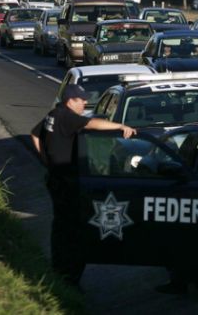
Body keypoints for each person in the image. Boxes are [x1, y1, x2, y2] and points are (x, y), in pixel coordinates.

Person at [30, 85, 137, 287]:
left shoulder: (54, 114)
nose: (85, 102)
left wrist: (46, 160)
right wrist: (120, 127)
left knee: (61, 224)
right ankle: (67, 274)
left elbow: (35, 135)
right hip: (66, 181)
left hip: (56, 177)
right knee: (71, 229)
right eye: (81, 100)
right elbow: (92, 124)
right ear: (70, 100)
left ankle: (60, 268)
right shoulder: (67, 117)